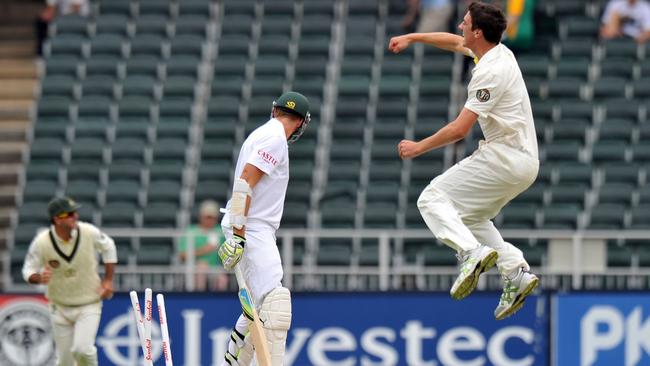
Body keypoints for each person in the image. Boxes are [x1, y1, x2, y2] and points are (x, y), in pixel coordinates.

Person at [388, 1, 539, 320]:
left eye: (466, 23)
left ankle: (470, 253)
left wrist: (418, 147)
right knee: (469, 217)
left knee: (431, 199)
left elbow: (460, 129)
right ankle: (515, 272)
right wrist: (413, 37)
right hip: (523, 163)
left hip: (505, 157)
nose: (460, 26)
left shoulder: (490, 71)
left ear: (479, 32)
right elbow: (454, 41)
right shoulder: (495, 52)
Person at [217, 91, 310, 366]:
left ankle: (233, 359)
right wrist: (238, 235)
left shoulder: (263, 133)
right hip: (251, 227)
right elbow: (246, 180)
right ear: (302, 123)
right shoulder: (276, 139)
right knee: (276, 302)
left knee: (258, 305)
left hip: (250, 226)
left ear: (274, 111)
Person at [22, 196, 117, 365]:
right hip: (59, 307)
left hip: (88, 303)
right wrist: (37, 278)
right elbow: (28, 269)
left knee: (82, 350)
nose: (76, 216)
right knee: (65, 361)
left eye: (75, 212)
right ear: (57, 219)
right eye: (70, 214)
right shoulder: (42, 241)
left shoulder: (88, 232)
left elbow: (109, 247)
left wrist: (108, 280)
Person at [178, 199, 228, 291]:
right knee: (201, 268)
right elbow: (182, 255)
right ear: (200, 217)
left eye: (212, 217)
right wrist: (205, 250)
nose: (209, 220)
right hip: (194, 268)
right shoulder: (191, 231)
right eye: (207, 217)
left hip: (216, 268)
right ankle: (198, 296)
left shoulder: (221, 231)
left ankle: (218, 300)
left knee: (222, 279)